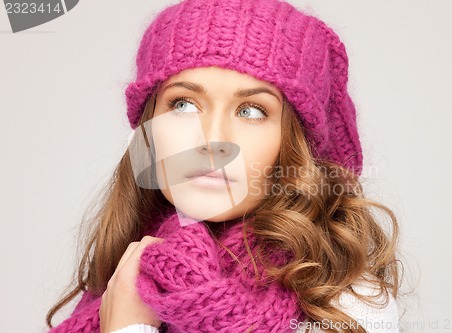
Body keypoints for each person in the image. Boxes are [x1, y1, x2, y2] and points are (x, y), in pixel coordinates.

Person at [45, 0, 402, 332]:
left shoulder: (346, 303)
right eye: (184, 105)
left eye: (251, 111)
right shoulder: (121, 278)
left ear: (296, 144)